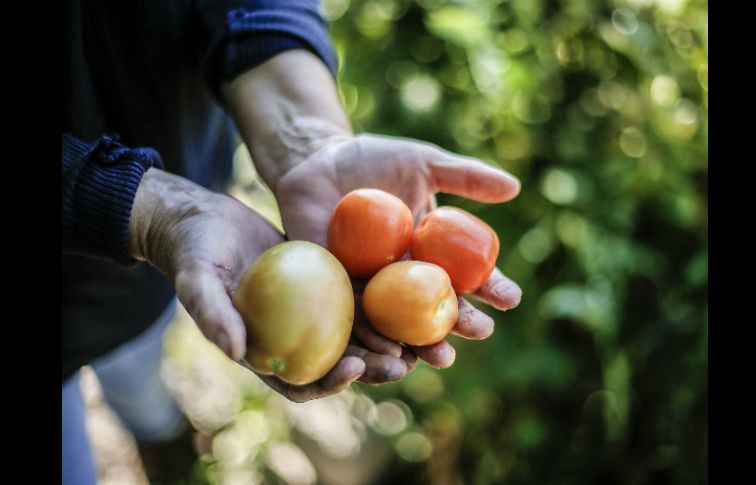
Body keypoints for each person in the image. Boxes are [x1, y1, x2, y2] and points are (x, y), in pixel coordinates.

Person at [63, 1, 523, 483]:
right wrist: (149, 212)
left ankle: (160, 435)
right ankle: (159, 436)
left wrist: (304, 137)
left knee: (140, 375)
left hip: (147, 283)